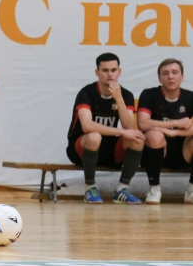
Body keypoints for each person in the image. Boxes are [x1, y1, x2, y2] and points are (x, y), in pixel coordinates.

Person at [66, 52, 145, 204]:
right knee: (94, 136)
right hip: (80, 149)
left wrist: (119, 99)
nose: (110, 74)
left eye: (113, 70)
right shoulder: (86, 93)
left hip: (108, 148)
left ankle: (122, 190)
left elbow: (129, 128)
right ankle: (90, 189)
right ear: (97, 72)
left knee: (137, 139)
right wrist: (121, 132)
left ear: (119, 72)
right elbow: (87, 126)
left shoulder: (125, 95)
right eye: (105, 70)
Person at [138, 58, 193, 205]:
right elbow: (143, 123)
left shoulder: (190, 97)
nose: (170, 77)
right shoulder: (149, 94)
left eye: (175, 72)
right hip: (157, 152)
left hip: (184, 152)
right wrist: (175, 123)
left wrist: (175, 133)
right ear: (159, 78)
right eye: (165, 73)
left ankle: (191, 190)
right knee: (154, 135)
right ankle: (154, 189)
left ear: (182, 77)